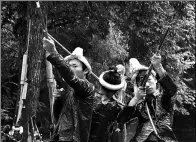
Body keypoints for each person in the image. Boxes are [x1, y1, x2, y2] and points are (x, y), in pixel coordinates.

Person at [42, 37, 95, 142]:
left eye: (75, 66)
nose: (71, 68)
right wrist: (58, 100)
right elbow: (58, 117)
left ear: (85, 71)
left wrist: (54, 52)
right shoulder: (69, 90)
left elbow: (72, 78)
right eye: (69, 66)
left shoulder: (88, 88)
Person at [117, 54, 178, 142]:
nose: (147, 85)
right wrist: (136, 98)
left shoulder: (164, 98)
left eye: (149, 80)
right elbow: (121, 120)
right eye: (143, 83)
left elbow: (172, 89)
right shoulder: (138, 103)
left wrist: (158, 66)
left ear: (155, 80)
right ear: (138, 86)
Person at [89, 65, 126, 142]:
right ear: (117, 89)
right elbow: (121, 134)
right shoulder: (118, 108)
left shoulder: (89, 98)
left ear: (100, 84)